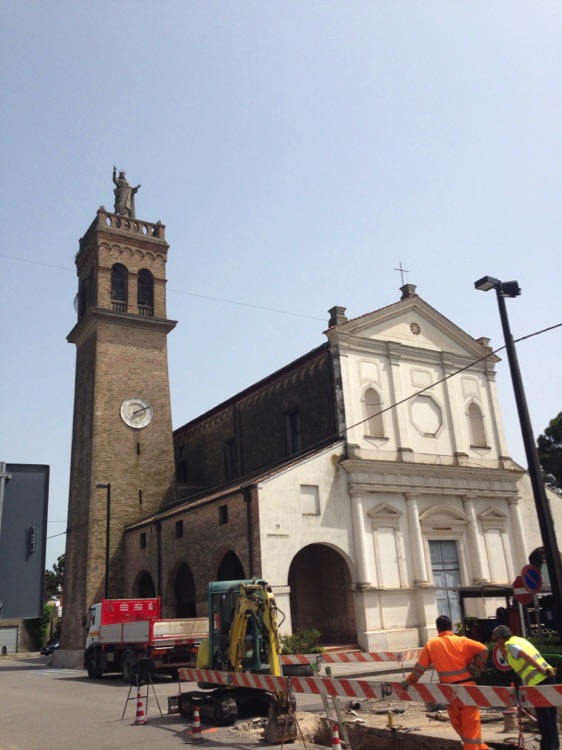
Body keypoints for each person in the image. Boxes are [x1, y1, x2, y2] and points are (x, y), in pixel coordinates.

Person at [402, 615, 489, 750]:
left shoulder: (432, 644)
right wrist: (477, 666)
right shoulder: (462, 641)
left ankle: (479, 747)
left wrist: (409, 680)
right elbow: (484, 650)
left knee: (458, 725)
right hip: (467, 689)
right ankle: (478, 747)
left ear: (438, 629)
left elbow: (420, 668)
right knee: (470, 727)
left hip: (449, 692)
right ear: (451, 627)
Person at [492, 625, 559, 750]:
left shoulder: (510, 645)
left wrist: (541, 669)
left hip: (539, 681)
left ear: (501, 637)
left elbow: (524, 655)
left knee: (544, 719)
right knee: (551, 718)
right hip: (549, 676)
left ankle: (547, 747)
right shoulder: (519, 640)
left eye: (496, 640)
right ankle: (554, 746)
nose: (496, 643)